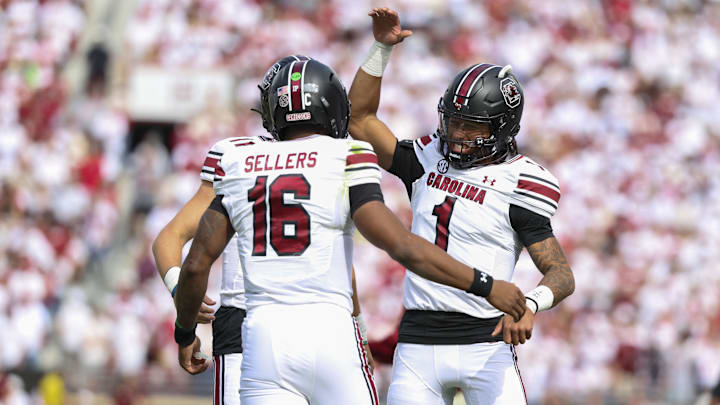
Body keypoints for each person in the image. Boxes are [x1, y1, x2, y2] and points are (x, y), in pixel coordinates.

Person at [172, 58, 528, 405]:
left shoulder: (239, 162)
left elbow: (196, 265)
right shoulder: (348, 153)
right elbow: (401, 245)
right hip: (331, 332)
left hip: (263, 341)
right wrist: (484, 285)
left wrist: (185, 331)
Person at [348, 8, 576, 405]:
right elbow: (360, 119)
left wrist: (532, 305)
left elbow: (560, 273)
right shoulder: (425, 158)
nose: (457, 134)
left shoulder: (521, 182)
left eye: (472, 126)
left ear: (503, 128)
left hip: (487, 341)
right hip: (418, 340)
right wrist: (380, 50)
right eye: (454, 122)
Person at [152, 55, 374, 405]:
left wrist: (183, 304)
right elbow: (170, 238)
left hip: (273, 321)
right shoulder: (328, 156)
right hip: (264, 317)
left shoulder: (246, 156)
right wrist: (182, 291)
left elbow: (336, 257)